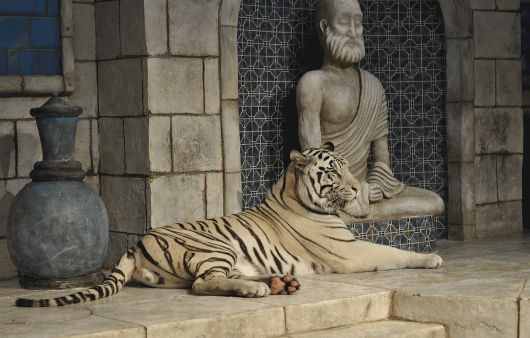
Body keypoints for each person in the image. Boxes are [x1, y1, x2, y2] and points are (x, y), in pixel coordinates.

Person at [296, 0, 444, 221]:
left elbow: (382, 158)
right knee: (323, 211)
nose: (353, 32)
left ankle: (358, 213)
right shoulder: (313, 83)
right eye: (344, 22)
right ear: (325, 27)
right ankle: (348, 212)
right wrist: (356, 189)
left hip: (366, 188)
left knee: (435, 202)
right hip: (332, 193)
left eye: (358, 23)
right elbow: (314, 163)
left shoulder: (373, 85)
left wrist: (374, 185)